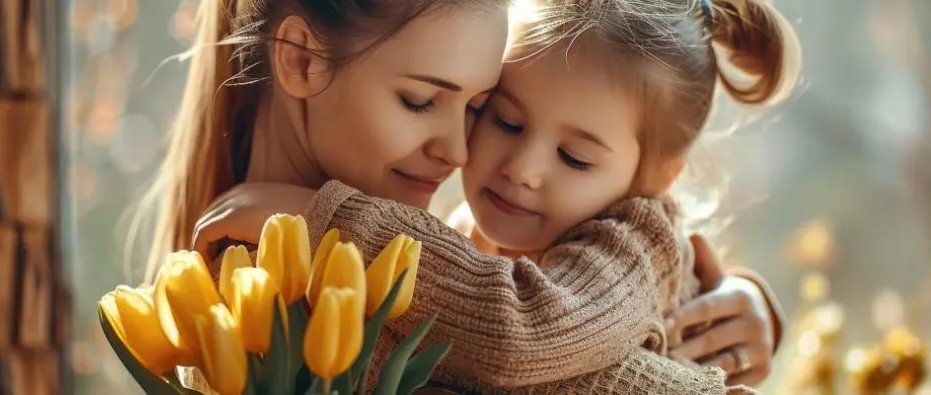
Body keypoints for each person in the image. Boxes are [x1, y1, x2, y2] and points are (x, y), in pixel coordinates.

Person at [140, 0, 791, 392]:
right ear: (303, 60)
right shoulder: (230, 297)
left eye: (473, 106)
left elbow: (518, 326)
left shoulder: (617, 242)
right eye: (500, 118)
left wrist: (320, 218)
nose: (460, 150)